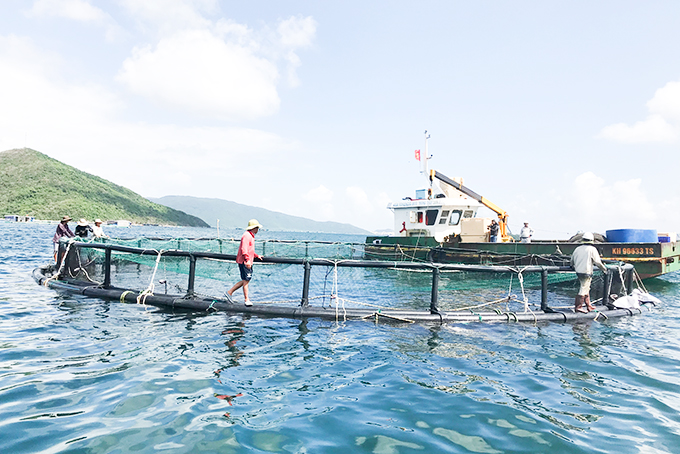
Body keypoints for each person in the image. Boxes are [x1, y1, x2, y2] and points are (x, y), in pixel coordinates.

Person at [226, 219, 264, 306]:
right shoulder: (247, 236)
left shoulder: (250, 236)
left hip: (247, 261)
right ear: (254, 228)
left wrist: (256, 255)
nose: (258, 230)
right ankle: (246, 299)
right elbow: (244, 249)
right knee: (246, 280)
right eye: (257, 228)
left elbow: (249, 250)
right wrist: (247, 260)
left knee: (245, 280)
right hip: (245, 262)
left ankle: (229, 292)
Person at [570, 232, 608, 313]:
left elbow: (572, 261)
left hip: (578, 271)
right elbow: (597, 262)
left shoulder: (577, 249)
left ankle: (588, 305)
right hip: (586, 272)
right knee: (583, 289)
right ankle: (578, 307)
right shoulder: (592, 249)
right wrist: (604, 269)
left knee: (586, 288)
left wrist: (572, 266)